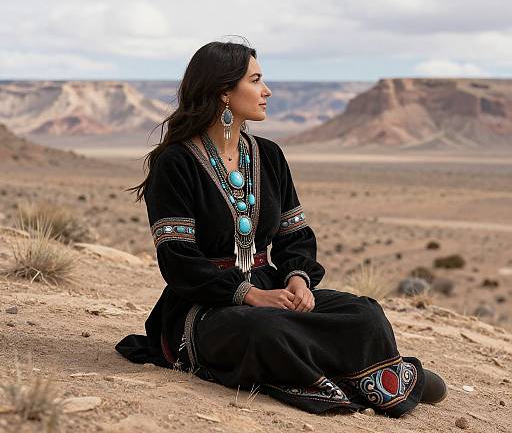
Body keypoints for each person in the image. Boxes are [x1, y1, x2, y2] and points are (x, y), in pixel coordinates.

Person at [116, 40, 447, 416]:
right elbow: (178, 261)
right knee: (265, 330)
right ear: (224, 91)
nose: (267, 91)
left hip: (271, 286)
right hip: (204, 305)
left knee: (364, 311)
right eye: (256, 80)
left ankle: (360, 373)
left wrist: (298, 279)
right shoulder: (174, 162)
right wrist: (248, 295)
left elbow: (295, 236)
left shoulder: (269, 155)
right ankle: (371, 376)